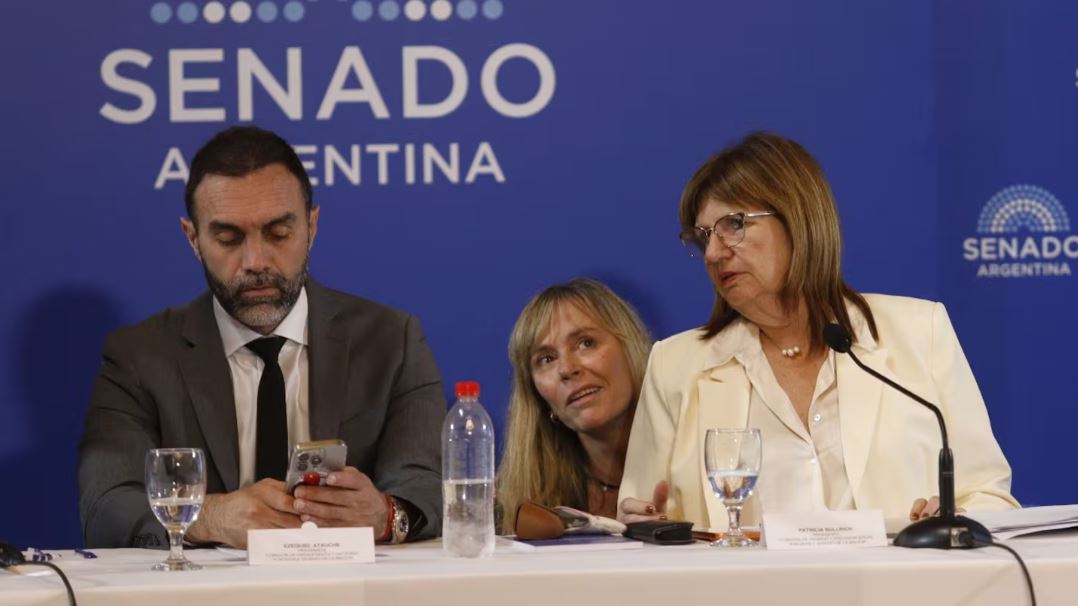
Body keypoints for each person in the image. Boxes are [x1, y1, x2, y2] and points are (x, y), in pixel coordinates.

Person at [618, 132, 1018, 529]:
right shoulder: (675, 366)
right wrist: (643, 527)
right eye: (703, 236)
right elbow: (644, 516)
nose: (713, 253)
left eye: (733, 225)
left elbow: (989, 495)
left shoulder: (919, 333)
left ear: (798, 219)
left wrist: (952, 520)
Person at [78, 126, 445, 549]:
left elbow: (429, 484)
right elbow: (106, 505)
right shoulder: (139, 357)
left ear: (312, 226)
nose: (255, 262)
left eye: (278, 234)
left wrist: (385, 514)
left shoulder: (391, 340)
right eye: (228, 238)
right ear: (193, 238)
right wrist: (211, 516)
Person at [497, 279, 651, 532]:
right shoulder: (520, 501)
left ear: (629, 348)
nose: (567, 369)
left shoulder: (695, 465)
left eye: (586, 343)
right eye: (546, 359)